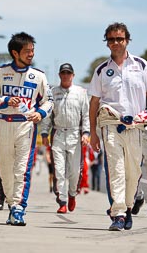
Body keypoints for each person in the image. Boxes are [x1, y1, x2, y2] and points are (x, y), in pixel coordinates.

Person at [88, 22, 147, 231]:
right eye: (111, 39)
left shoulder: (141, 65)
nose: (115, 43)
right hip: (111, 126)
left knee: (133, 172)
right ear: (107, 43)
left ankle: (128, 207)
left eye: (119, 38)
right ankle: (118, 214)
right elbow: (94, 103)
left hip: (137, 127)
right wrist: (93, 133)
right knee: (116, 171)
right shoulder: (102, 70)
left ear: (127, 40)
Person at [0, 32, 54, 226]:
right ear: (15, 53)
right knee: (5, 170)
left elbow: (49, 101)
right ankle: (11, 204)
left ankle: (18, 209)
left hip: (26, 126)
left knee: (22, 169)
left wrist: (40, 113)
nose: (31, 54)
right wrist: (5, 100)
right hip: (4, 123)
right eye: (27, 51)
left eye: (32, 50)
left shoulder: (39, 76)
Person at [40, 63, 90, 214]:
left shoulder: (81, 92)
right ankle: (61, 201)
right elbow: (47, 115)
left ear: (73, 75)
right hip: (58, 134)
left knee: (75, 171)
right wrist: (44, 133)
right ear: (59, 75)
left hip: (75, 135)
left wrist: (86, 133)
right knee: (59, 171)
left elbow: (86, 115)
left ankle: (72, 194)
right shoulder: (53, 92)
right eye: (63, 73)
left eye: (68, 73)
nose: (66, 76)